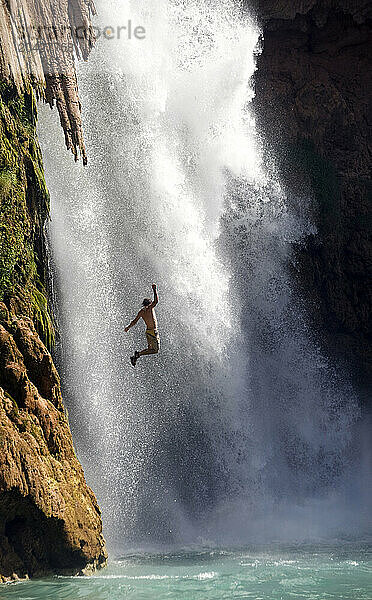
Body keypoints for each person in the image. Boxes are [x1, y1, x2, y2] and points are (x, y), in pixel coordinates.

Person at [124, 284, 160, 366]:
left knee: (150, 349)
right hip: (153, 332)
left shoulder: (141, 312)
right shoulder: (150, 308)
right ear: (149, 304)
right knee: (155, 350)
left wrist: (128, 327)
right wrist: (154, 290)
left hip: (148, 332)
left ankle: (136, 356)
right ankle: (138, 354)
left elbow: (134, 321)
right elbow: (156, 301)